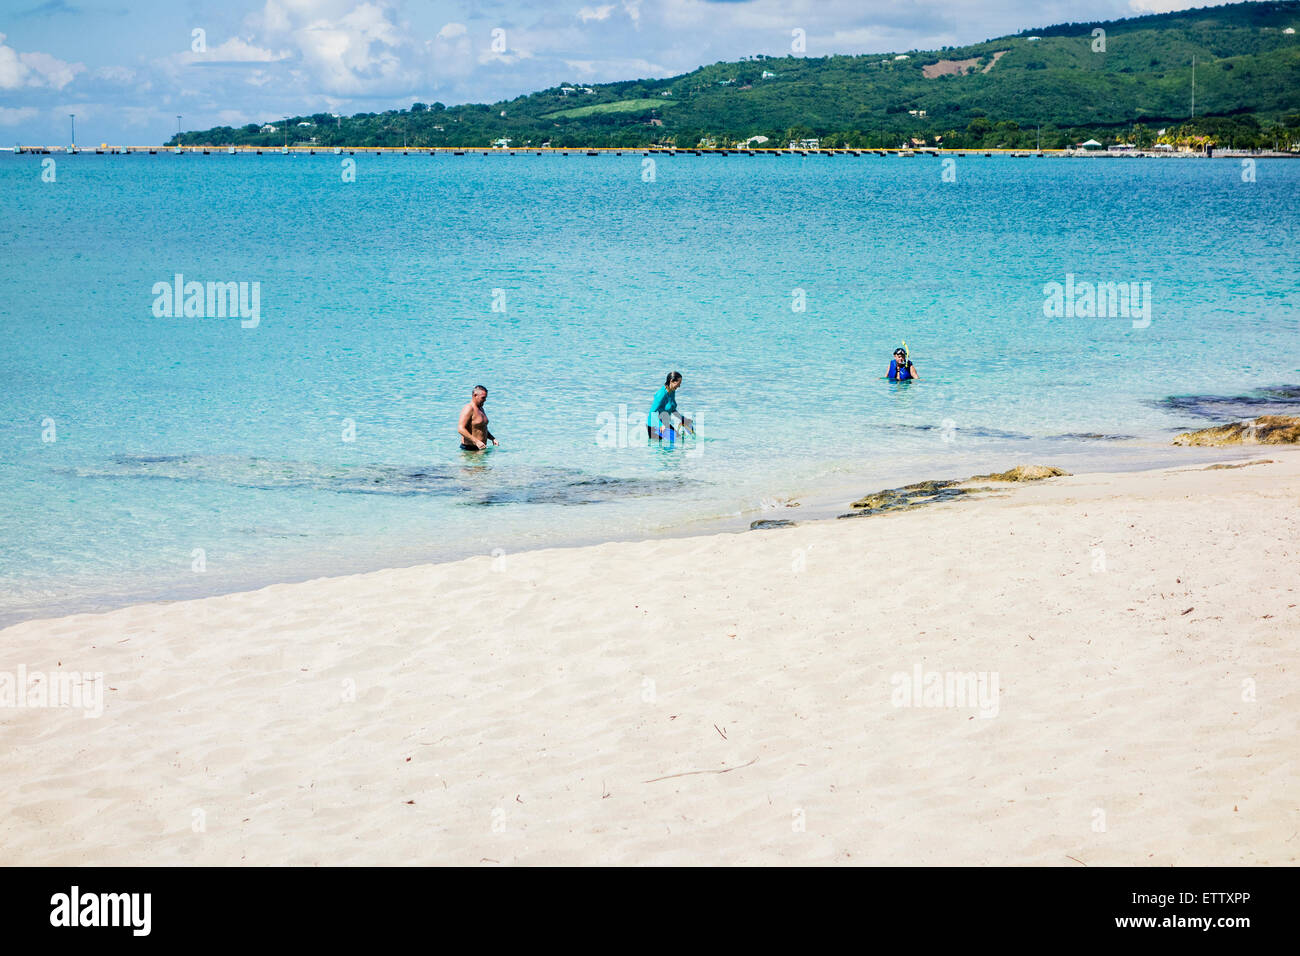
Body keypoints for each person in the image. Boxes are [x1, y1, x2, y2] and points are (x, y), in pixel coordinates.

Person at [647, 371, 693, 441]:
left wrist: (683, 419)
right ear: (671, 381)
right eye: (678, 383)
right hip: (654, 426)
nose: (679, 386)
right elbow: (652, 413)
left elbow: (672, 409)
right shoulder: (661, 394)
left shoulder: (672, 391)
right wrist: (660, 425)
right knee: (662, 449)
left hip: (664, 423)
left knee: (679, 440)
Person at [458, 385, 498, 451]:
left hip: (481, 448)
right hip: (469, 449)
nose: (485, 400)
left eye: (485, 398)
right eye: (483, 398)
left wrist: (492, 438)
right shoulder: (469, 408)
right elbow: (460, 429)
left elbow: (482, 428)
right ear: (475, 395)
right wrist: (476, 441)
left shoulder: (481, 408)